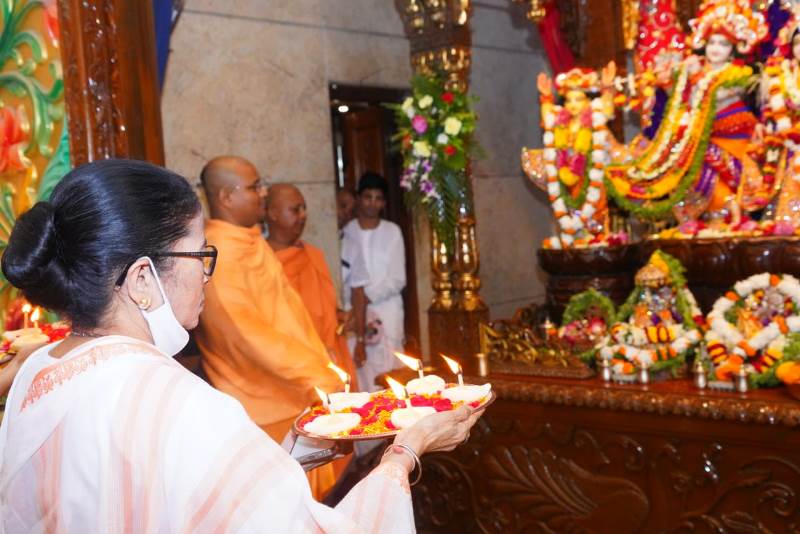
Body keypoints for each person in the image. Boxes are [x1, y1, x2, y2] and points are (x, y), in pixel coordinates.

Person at [0, 159, 482, 532]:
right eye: (200, 254)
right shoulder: (180, 403)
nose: (207, 274)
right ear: (143, 277)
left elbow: (187, 497)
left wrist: (287, 455)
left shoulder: (37, 371)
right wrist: (405, 453)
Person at [195, 156, 339, 443]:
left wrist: (320, 358)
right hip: (264, 403)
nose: (263, 193)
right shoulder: (219, 251)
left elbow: (288, 311)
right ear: (226, 196)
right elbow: (246, 336)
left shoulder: (250, 238)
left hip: (299, 387)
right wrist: (313, 373)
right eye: (254, 187)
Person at [266, 184, 358, 388]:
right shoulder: (262, 261)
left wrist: (339, 316)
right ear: (272, 213)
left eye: (304, 208)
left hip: (332, 355)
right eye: (295, 209)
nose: (303, 215)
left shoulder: (312, 254)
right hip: (294, 364)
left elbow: (321, 306)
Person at [342, 172, 406, 391]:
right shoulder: (346, 231)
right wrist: (355, 307)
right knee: (359, 369)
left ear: (384, 203)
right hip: (353, 313)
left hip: (386, 309)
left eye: (378, 198)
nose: (372, 203)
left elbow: (398, 278)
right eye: (368, 196)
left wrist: (366, 298)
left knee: (387, 370)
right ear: (359, 198)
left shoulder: (392, 232)